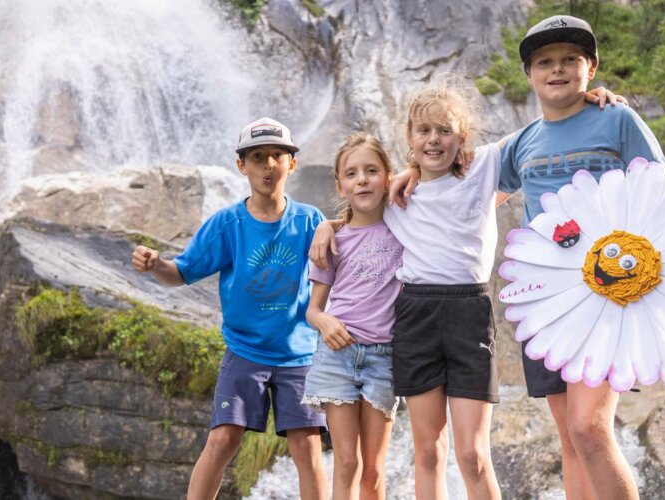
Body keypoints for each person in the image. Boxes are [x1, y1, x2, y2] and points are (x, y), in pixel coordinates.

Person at [311, 77, 626, 498]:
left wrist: (585, 99)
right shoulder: (395, 194)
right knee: (427, 452)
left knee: (473, 454)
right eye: (424, 131)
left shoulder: (484, 167)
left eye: (445, 130)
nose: (434, 139)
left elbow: (546, 123)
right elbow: (358, 210)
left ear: (463, 135)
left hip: (469, 315)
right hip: (415, 317)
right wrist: (325, 226)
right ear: (409, 136)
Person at [497, 16, 665, 500]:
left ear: (590, 67)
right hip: (545, 301)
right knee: (573, 439)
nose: (557, 70)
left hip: (610, 292)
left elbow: (662, 191)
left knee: (589, 427)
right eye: (544, 62)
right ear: (529, 75)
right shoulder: (521, 143)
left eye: (570, 59)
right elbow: (464, 197)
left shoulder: (617, 119)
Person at [131, 117, 329, 500]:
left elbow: (344, 254)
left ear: (292, 162)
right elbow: (181, 273)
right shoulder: (227, 224)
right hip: (245, 352)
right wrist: (156, 263)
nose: (268, 165)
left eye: (277, 155)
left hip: (300, 355)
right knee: (223, 439)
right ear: (242, 166)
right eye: (257, 157)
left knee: (307, 446)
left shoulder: (310, 221)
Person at [301, 133, 403, 500]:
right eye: (352, 173)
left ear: (389, 177)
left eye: (372, 170)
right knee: (346, 462)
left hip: (384, 358)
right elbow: (312, 309)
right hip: (337, 356)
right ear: (340, 186)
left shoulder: (406, 227)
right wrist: (325, 321)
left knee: (374, 469)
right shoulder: (332, 240)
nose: (362, 179)